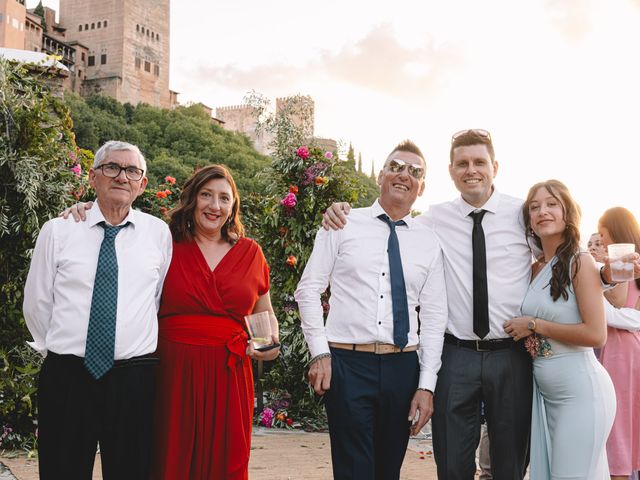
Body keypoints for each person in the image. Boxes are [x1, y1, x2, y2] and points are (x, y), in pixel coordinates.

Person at [323, 130, 533, 478]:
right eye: (462, 164)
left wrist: (602, 277)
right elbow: (388, 225)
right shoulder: (433, 220)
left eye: (479, 162)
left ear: (494, 166)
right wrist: (340, 213)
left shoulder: (522, 214)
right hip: (456, 356)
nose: (471, 170)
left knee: (510, 463)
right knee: (451, 463)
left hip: (509, 355)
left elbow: (560, 254)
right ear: (450, 171)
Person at [63, 164, 280, 479]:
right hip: (170, 371)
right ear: (192, 199)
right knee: (167, 458)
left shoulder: (251, 252)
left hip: (229, 373)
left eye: (224, 198)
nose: (214, 206)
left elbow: (263, 314)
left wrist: (269, 346)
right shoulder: (160, 241)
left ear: (233, 206)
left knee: (226, 461)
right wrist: (87, 210)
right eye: (206, 195)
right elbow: (116, 228)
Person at [295, 140, 448, 479]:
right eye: (396, 166)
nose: (404, 175)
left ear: (421, 188)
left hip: (402, 367)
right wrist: (320, 353)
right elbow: (308, 290)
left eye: (415, 172)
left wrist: (426, 386)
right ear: (381, 175)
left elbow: (435, 318)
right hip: (349, 365)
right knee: (353, 471)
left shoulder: (429, 241)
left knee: (387, 471)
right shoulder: (342, 223)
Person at [23, 140, 173, 479]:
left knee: (131, 471)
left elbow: (156, 298)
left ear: (143, 184)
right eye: (112, 168)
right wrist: (65, 351)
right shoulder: (59, 231)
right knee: (62, 470)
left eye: (132, 170)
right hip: (69, 378)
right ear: (93, 177)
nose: (122, 176)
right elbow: (36, 303)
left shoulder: (158, 234)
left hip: (134, 380)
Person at [504, 179, 616, 479]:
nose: (543, 211)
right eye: (535, 207)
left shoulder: (581, 261)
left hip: (580, 394)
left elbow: (596, 334)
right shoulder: (536, 266)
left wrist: (535, 324)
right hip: (545, 395)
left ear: (568, 212)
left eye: (552, 204)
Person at [598, 207, 640, 480]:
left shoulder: (623, 263)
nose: (601, 241)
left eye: (603, 235)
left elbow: (612, 309)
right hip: (629, 347)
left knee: (617, 423)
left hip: (619, 352)